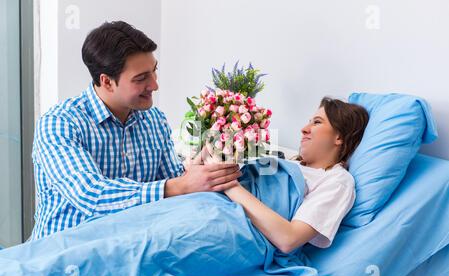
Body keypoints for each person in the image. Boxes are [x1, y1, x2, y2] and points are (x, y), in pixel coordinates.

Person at [31, 21, 241, 240]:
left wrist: (197, 171)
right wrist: (180, 184)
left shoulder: (154, 120)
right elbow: (92, 195)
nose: (155, 85)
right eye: (141, 78)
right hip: (62, 252)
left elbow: (174, 184)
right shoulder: (60, 123)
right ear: (107, 82)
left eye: (154, 71)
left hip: (130, 247)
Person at [204, 97, 369, 253]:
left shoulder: (336, 180)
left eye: (317, 122)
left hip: (233, 223)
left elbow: (288, 239)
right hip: (213, 199)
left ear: (339, 136)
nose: (304, 129)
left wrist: (227, 182)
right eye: (309, 121)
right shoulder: (286, 163)